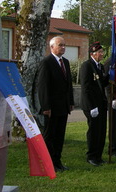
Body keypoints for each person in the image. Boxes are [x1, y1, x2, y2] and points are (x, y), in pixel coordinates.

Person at [37, 36, 74, 172]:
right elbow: (43, 87)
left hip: (63, 106)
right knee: (50, 136)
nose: (63, 47)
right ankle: (49, 163)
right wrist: (46, 107)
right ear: (52, 47)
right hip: (51, 108)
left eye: (64, 45)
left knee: (60, 136)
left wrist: (70, 101)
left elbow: (68, 84)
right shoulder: (46, 62)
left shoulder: (66, 62)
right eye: (60, 45)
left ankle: (57, 161)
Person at [80, 42, 109, 166]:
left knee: (101, 130)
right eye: (100, 52)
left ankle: (99, 155)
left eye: (102, 52)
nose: (102, 54)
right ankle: (91, 156)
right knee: (94, 131)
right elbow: (86, 88)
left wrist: (110, 75)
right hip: (91, 105)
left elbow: (101, 84)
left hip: (101, 103)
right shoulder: (87, 66)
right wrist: (92, 107)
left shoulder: (100, 66)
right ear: (93, 53)